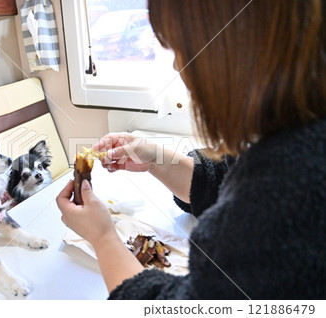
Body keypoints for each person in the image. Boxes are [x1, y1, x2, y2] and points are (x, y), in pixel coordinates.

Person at [57, 0, 325, 299]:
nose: (177, 65)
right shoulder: (296, 136)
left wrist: (103, 237)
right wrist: (156, 159)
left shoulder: (287, 189)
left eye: (183, 48)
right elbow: (223, 183)